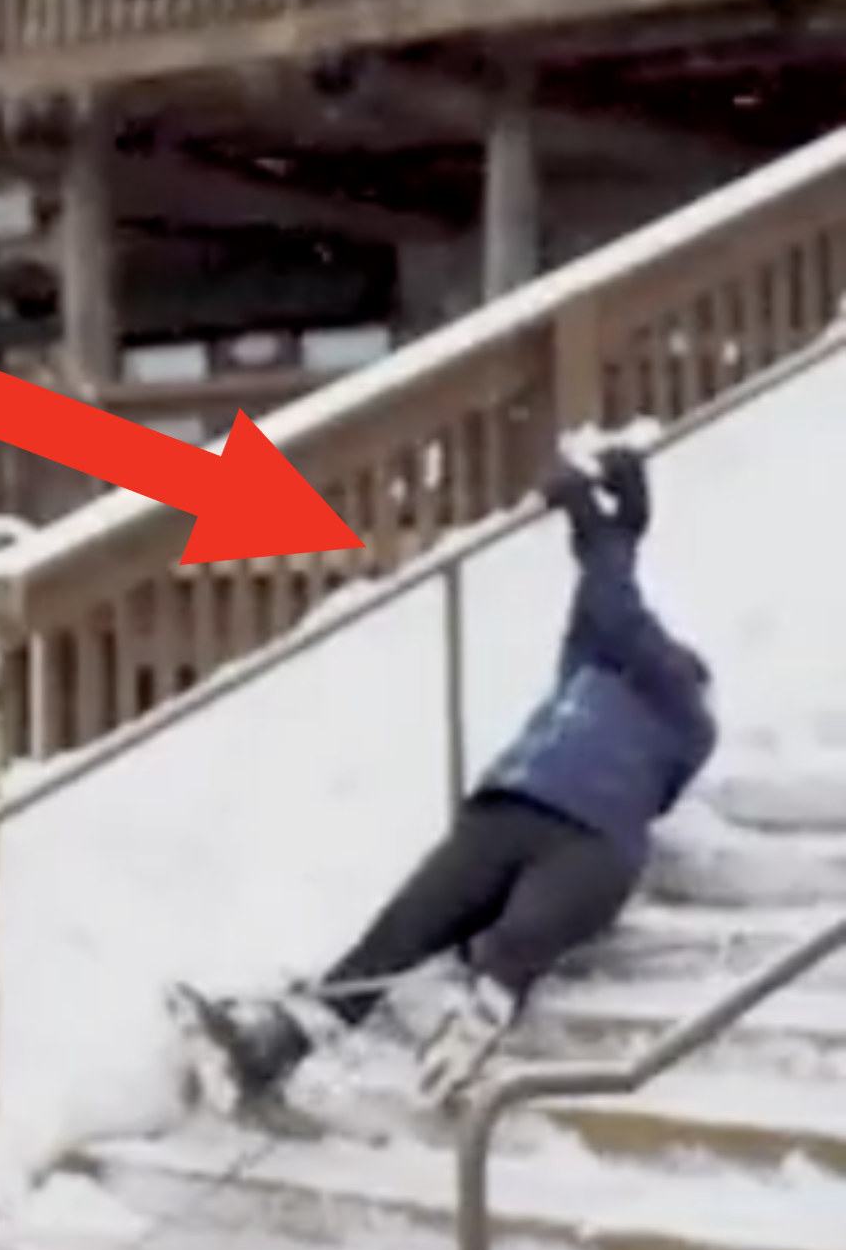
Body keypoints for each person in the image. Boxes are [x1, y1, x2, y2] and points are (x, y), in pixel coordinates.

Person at [184, 445, 716, 1112]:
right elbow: (602, 609)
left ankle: (473, 1025)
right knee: (393, 938)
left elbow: (621, 617)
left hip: (593, 836)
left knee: (520, 938)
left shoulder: (685, 713)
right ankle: (270, 1050)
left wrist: (595, 529)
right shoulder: (590, 672)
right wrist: (621, 535)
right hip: (505, 809)